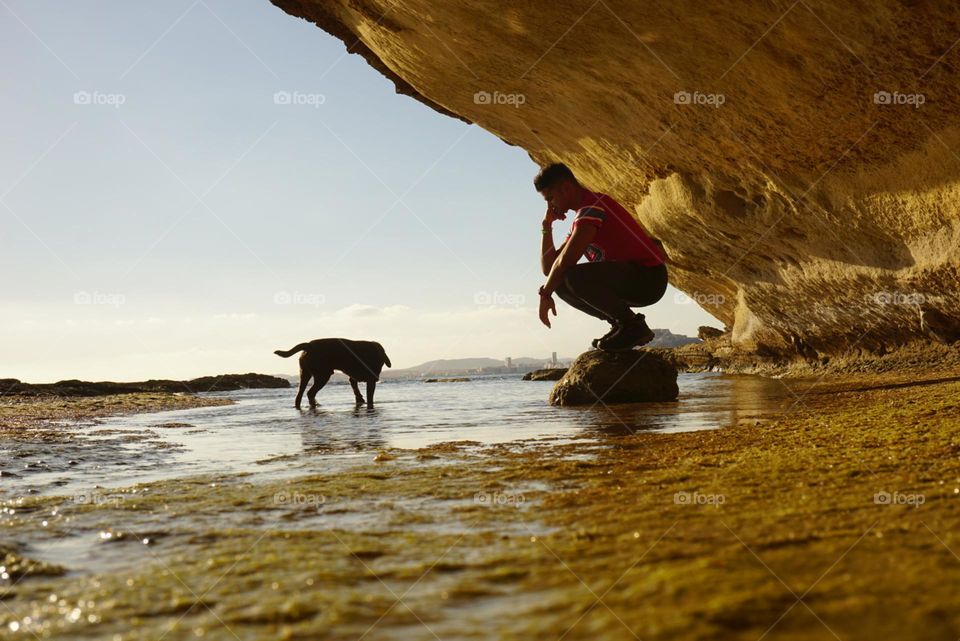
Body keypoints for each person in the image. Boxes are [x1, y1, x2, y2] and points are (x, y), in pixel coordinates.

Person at [535, 163, 668, 350]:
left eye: (550, 198)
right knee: (560, 282)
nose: (550, 205)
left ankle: (632, 325)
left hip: (648, 278)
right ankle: (621, 325)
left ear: (566, 188)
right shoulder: (580, 221)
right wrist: (546, 225)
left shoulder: (593, 206)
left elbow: (565, 262)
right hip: (629, 280)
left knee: (571, 275)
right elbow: (549, 268)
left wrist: (544, 294)